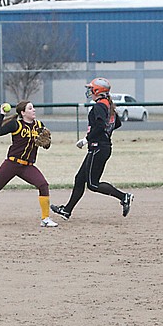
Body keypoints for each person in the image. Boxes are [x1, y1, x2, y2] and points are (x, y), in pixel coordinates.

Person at [51, 77, 133, 220]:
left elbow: (101, 126)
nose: (89, 91)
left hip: (98, 148)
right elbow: (116, 123)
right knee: (79, 179)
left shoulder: (100, 106)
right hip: (101, 147)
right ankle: (67, 210)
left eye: (91, 88)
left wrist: (86, 139)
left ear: (98, 91)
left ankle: (124, 196)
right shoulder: (107, 104)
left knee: (93, 184)